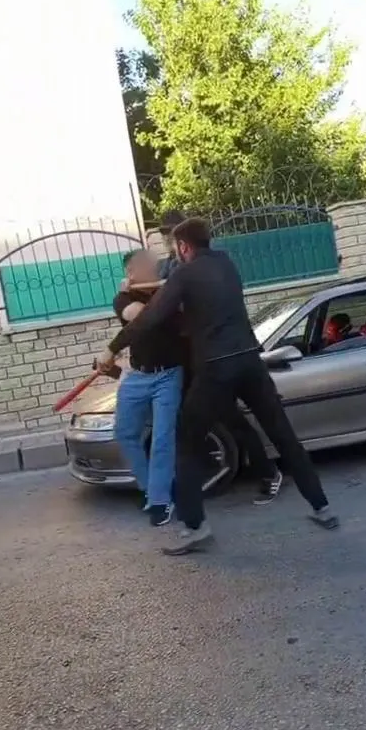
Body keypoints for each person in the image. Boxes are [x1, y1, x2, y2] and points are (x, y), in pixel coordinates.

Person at [98, 218, 337, 554]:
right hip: (251, 362)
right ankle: (322, 508)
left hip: (215, 368)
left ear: (183, 247)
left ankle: (195, 528)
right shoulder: (226, 263)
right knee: (283, 435)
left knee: (186, 444)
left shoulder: (184, 274)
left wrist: (112, 349)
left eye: (174, 247)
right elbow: (172, 281)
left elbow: (149, 317)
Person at [155, 211, 282, 505]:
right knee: (203, 423)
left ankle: (266, 473)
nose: (168, 241)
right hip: (192, 360)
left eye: (172, 234)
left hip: (215, 360)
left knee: (231, 422)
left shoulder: (207, 266)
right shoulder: (166, 267)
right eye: (165, 235)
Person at [112, 249, 185, 527]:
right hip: (138, 375)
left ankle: (160, 500)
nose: (152, 267)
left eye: (152, 264)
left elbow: (157, 314)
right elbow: (139, 316)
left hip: (169, 374)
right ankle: (149, 487)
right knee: (125, 433)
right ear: (130, 272)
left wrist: (164, 289)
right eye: (143, 265)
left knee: (162, 438)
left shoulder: (167, 293)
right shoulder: (122, 299)